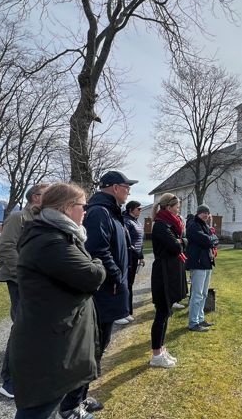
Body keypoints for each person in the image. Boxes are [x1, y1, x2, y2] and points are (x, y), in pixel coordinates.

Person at [9, 183, 106, 419]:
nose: (86, 211)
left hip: (55, 332)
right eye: (83, 206)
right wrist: (98, 263)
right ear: (67, 207)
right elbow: (91, 276)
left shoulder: (58, 234)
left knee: (48, 401)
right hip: (49, 339)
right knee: (40, 406)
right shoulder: (50, 240)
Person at [81, 170, 136, 410]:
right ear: (114, 187)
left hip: (111, 288)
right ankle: (75, 401)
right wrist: (115, 275)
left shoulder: (112, 212)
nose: (129, 191)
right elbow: (98, 250)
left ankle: (80, 396)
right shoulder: (99, 212)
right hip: (104, 290)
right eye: (126, 187)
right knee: (93, 346)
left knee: (99, 345)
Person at [0, 183, 49, 399]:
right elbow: (6, 248)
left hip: (39, 282)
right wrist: (25, 276)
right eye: (47, 194)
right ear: (35, 197)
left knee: (37, 328)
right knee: (23, 328)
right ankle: (10, 382)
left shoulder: (45, 218)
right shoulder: (18, 218)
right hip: (20, 281)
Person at [149, 193, 188, 368]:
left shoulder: (169, 224)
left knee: (166, 313)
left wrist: (181, 240)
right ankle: (156, 355)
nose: (179, 209)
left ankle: (161, 349)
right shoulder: (160, 225)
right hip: (163, 273)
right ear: (169, 207)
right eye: (177, 206)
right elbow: (175, 246)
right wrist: (181, 241)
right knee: (161, 314)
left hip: (170, 270)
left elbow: (179, 243)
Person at [185, 205, 219, 332]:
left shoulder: (204, 225)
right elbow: (207, 240)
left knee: (204, 294)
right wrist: (211, 239)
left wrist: (211, 239)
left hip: (206, 262)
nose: (206, 215)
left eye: (207, 213)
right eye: (203, 212)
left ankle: (200, 319)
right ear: (198, 214)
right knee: (197, 294)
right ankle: (193, 323)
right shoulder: (193, 225)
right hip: (198, 263)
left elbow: (214, 239)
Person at [118, 200, 145, 325]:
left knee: (130, 284)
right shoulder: (126, 221)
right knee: (125, 284)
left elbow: (140, 241)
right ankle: (121, 312)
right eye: (138, 209)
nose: (140, 211)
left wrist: (141, 256)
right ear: (131, 209)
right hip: (128, 257)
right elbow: (126, 242)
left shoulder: (137, 222)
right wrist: (136, 254)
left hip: (135, 257)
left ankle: (127, 311)